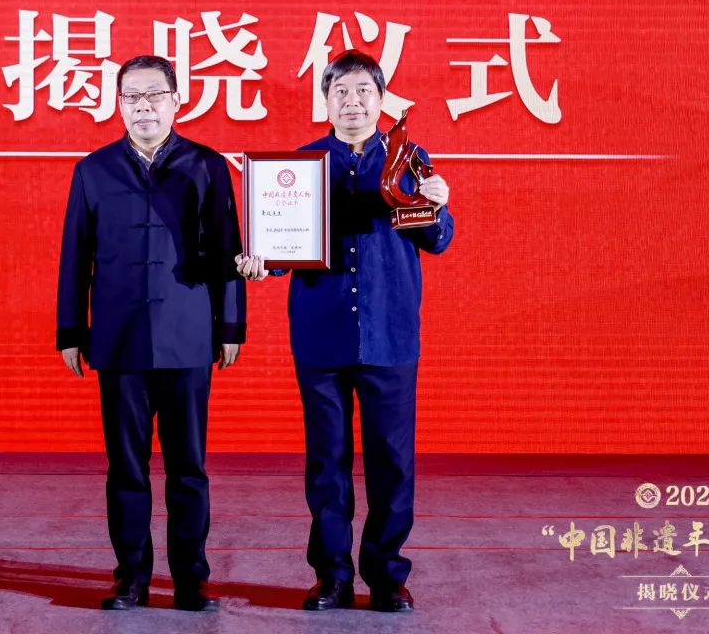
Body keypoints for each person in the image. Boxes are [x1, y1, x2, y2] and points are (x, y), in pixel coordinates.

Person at [236, 49, 454, 613]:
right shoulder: (302, 165)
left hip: (390, 335)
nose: (352, 102)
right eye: (340, 92)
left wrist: (437, 204)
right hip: (321, 335)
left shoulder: (409, 159)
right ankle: (331, 576)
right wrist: (261, 261)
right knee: (326, 462)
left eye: (363, 92)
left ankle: (386, 575)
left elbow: (438, 240)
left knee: (392, 462)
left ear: (380, 100)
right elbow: (280, 247)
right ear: (325, 101)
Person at [56, 55, 246, 612]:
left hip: (188, 336)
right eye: (132, 97)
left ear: (176, 101)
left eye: (154, 95)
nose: (144, 106)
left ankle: (191, 579)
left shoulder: (207, 165)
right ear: (118, 105)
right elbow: (75, 256)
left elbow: (229, 248)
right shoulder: (93, 170)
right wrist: (71, 329)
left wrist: (231, 323)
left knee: (188, 466)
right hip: (119, 340)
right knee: (126, 467)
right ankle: (131, 577)